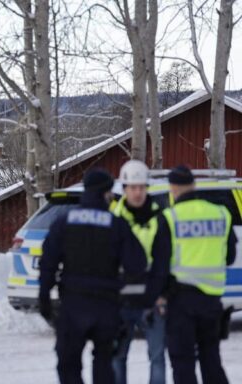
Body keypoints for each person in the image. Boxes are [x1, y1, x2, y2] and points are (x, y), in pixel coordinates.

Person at [39, 168, 146, 384]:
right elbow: (137, 265)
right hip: (106, 305)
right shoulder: (117, 225)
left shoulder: (64, 221)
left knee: (68, 363)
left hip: (73, 303)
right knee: (104, 363)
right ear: (106, 193)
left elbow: (48, 261)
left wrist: (44, 296)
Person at [146, 165, 236, 384]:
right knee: (211, 359)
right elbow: (230, 257)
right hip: (212, 301)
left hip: (180, 302)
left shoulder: (169, 217)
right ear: (194, 185)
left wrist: (154, 297)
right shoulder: (220, 213)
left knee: (183, 362)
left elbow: (160, 265)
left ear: (173, 188)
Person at [110, 160, 165, 384]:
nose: (138, 192)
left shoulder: (160, 218)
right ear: (124, 189)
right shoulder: (112, 218)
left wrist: (161, 295)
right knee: (117, 358)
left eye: (141, 187)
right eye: (133, 188)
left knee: (158, 358)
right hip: (120, 302)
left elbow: (164, 261)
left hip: (151, 301)